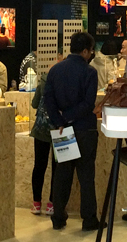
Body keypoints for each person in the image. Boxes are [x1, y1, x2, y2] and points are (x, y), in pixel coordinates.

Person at [43, 31, 101, 231]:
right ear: (85, 51)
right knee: (86, 176)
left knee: (62, 175)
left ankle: (58, 217)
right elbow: (88, 103)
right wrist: (69, 116)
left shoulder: (55, 70)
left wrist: (60, 120)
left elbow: (48, 100)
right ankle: (89, 219)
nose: (91, 54)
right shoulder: (89, 72)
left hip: (63, 130)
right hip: (85, 129)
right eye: (90, 51)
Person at [29, 53, 63, 217]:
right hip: (61, 128)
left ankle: (36, 203)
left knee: (39, 166)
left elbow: (34, 104)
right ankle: (52, 204)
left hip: (41, 128)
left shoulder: (43, 80)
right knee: (58, 168)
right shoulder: (67, 81)